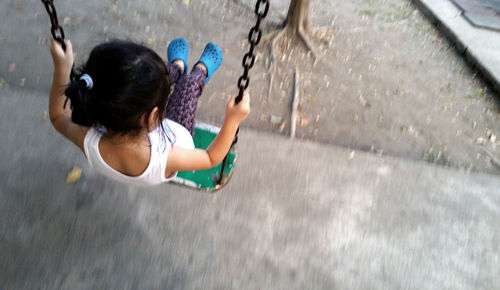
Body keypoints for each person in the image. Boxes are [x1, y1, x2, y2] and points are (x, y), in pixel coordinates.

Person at [48, 37, 250, 186]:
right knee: (187, 88)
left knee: (152, 80)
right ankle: (200, 70)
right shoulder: (166, 157)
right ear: (153, 116)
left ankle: (177, 67)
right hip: (177, 130)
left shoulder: (90, 136)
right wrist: (232, 121)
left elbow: (58, 117)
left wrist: (61, 68)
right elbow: (210, 158)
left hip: (140, 114)